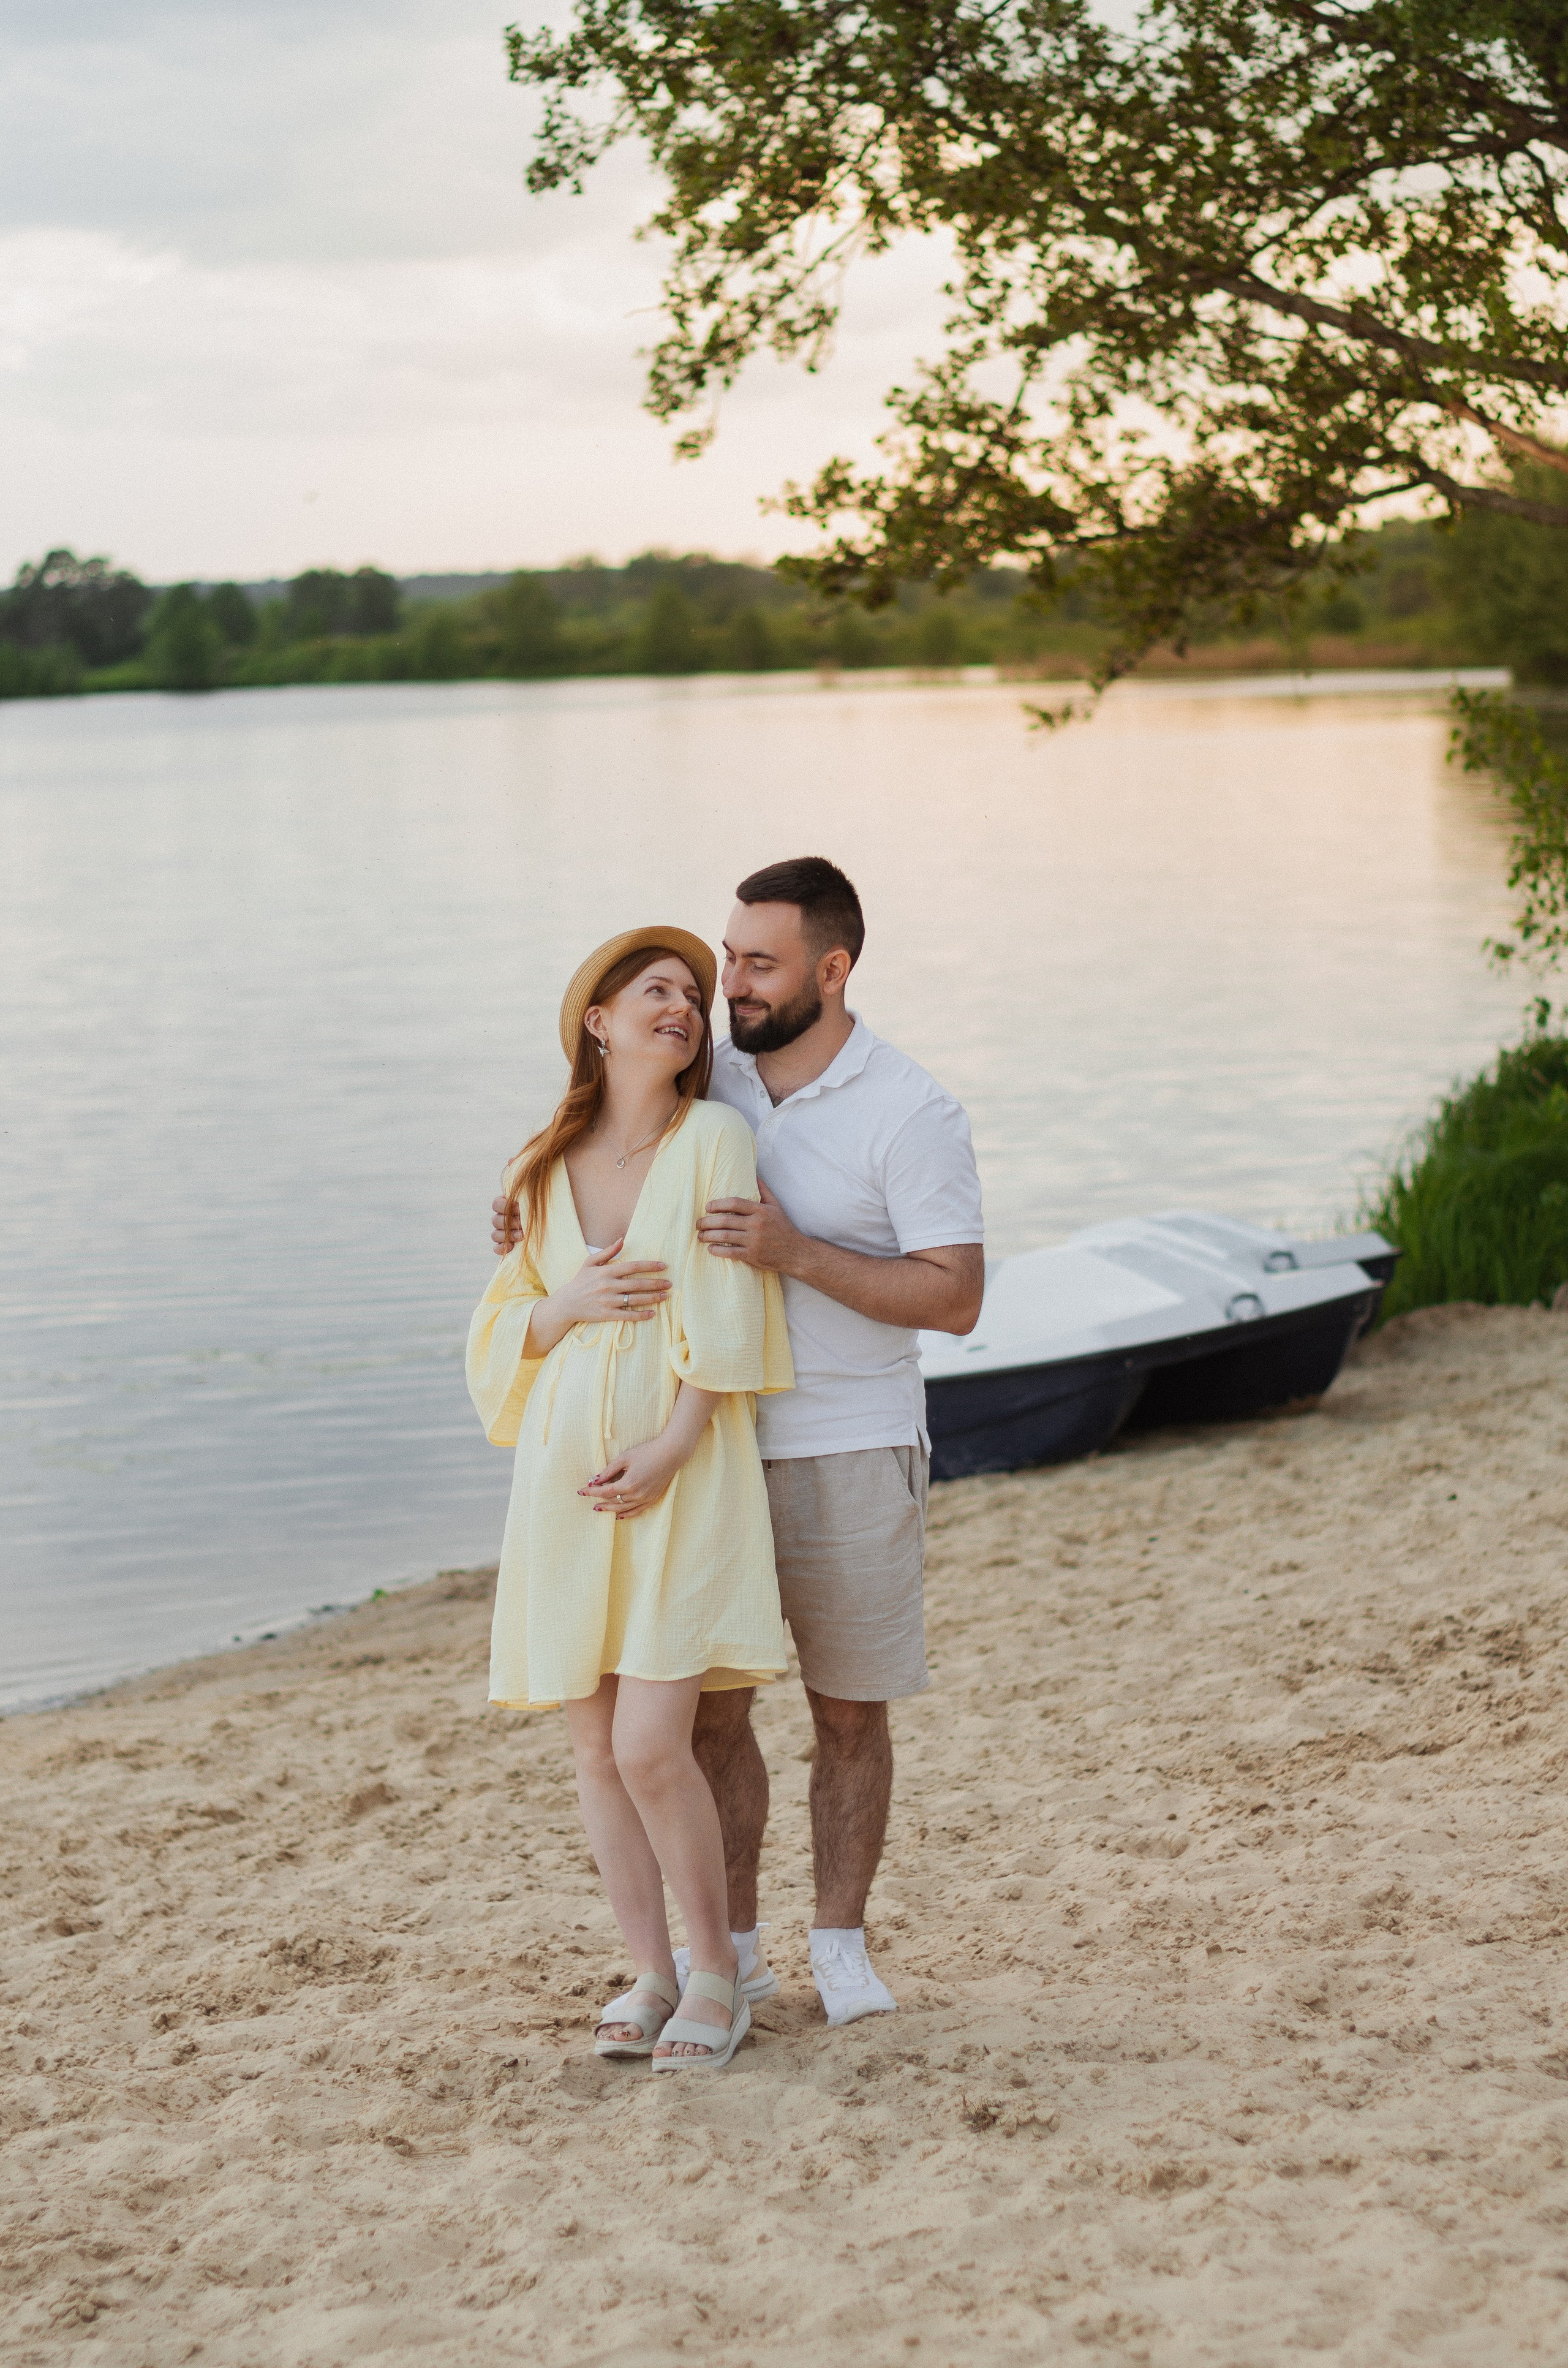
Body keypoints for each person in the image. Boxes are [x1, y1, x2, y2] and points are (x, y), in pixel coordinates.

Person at [494, 862, 986, 2030]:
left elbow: (957, 1298)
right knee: (704, 1718)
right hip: (714, 1449)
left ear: (833, 969)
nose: (729, 987)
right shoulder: (714, 1091)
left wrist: (795, 1249)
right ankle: (739, 1947)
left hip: (846, 1439)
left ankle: (842, 1941)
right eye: (728, 959)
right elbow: (601, 1162)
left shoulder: (910, 1110)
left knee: (849, 1707)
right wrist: (525, 1218)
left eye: (758, 965)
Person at [467, 926, 793, 2072]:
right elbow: (504, 1330)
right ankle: (650, 1971)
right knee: (597, 1749)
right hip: (563, 1482)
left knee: (659, 1742)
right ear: (598, 1022)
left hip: (681, 1472)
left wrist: (673, 1442)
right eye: (657, 990)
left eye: (694, 995)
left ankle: (718, 1971)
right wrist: (566, 1304)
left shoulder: (713, 1137)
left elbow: (734, 1307)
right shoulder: (541, 1171)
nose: (686, 1007)